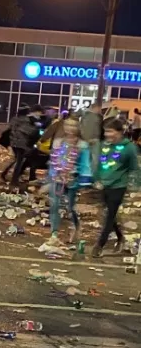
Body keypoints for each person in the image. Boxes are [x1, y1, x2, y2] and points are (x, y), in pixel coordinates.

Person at [92, 119, 139, 258]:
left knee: (109, 215)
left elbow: (134, 168)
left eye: (110, 131)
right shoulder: (103, 146)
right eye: (106, 131)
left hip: (119, 186)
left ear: (119, 132)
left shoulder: (129, 147)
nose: (107, 134)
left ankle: (99, 245)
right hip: (103, 185)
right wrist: (97, 179)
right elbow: (98, 165)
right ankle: (120, 237)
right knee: (110, 216)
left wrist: (134, 185)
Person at [44, 118, 92, 248]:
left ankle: (76, 228)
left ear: (78, 128)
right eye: (67, 125)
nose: (70, 128)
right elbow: (53, 162)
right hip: (58, 179)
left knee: (70, 208)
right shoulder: (58, 142)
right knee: (54, 205)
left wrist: (83, 181)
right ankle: (54, 234)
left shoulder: (83, 145)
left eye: (73, 125)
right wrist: (51, 177)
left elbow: (85, 166)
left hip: (73, 181)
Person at [8, 105, 39, 192]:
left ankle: (7, 175)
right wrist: (36, 127)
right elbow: (29, 131)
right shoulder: (26, 120)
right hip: (21, 144)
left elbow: (11, 128)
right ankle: (14, 180)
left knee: (16, 160)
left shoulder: (14, 119)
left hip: (13, 142)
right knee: (19, 162)